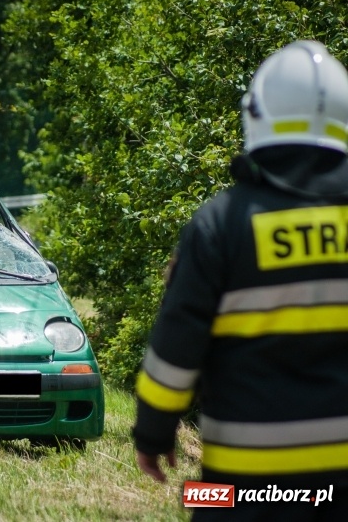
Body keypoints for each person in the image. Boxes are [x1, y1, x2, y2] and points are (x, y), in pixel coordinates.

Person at [133, 40, 348, 519]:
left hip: (246, 486)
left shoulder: (221, 224)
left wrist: (152, 433)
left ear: (256, 115)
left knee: (199, 497)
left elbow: (177, 346)